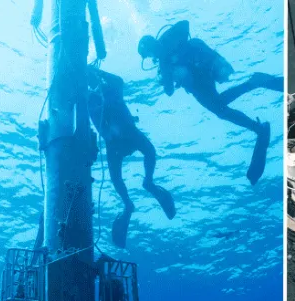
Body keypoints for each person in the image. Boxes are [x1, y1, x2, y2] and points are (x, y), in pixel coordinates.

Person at [137, 20, 284, 184]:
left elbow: (169, 91)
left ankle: (254, 93)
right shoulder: (166, 52)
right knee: (220, 108)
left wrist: (165, 71)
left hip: (199, 75)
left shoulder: (165, 51)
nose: (151, 58)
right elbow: (184, 27)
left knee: (219, 108)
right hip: (201, 73)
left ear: (149, 48)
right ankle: (256, 120)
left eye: (148, 55)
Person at [85, 65, 175, 249]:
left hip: (124, 135)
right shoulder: (91, 97)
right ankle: (130, 201)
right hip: (117, 141)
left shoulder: (108, 89)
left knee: (146, 154)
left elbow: (118, 81)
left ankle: (145, 185)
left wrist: (98, 72)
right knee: (118, 175)